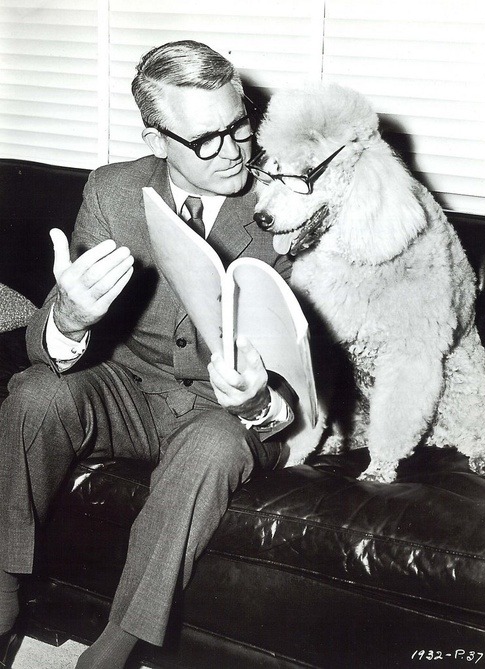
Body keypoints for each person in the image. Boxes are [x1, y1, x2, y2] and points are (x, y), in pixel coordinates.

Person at [0, 40, 295, 669]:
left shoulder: (285, 201)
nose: (236, 150)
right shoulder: (113, 192)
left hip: (235, 410)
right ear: (157, 138)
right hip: (132, 394)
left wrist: (261, 401)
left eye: (240, 124)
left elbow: (313, 376)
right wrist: (69, 318)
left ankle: (115, 650)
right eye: (206, 139)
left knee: (212, 444)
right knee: (34, 393)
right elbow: (46, 354)